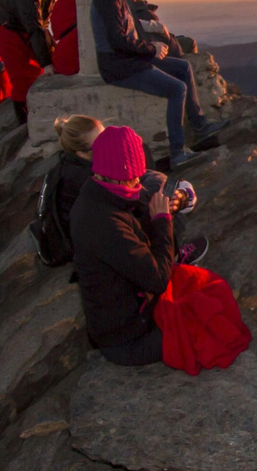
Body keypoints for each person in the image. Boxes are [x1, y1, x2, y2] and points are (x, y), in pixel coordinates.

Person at [70, 125, 210, 366]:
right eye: (133, 178)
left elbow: (161, 197)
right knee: (210, 320)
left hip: (130, 316)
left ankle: (179, 262)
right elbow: (157, 280)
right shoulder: (104, 223)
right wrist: (162, 222)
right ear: (116, 174)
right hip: (128, 340)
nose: (137, 183)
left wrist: (180, 199)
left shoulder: (100, 194)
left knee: (208, 292)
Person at [86, 0, 226, 170]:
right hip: (120, 66)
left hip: (130, 58)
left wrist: (154, 46)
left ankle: (200, 125)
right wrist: (150, 49)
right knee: (176, 89)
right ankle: (178, 153)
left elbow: (129, 34)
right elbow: (117, 41)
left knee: (183, 67)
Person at [48, 115, 205, 267]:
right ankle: (174, 258)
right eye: (100, 144)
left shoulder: (77, 164)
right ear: (82, 153)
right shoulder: (85, 179)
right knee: (158, 199)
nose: (109, 145)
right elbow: (131, 204)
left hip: (100, 228)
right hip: (99, 242)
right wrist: (172, 200)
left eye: (106, 136)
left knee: (154, 181)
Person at [0, 0, 67, 123]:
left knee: (53, 62)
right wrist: (46, 63)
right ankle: (24, 122)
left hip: (27, 27)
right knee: (22, 77)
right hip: (8, 30)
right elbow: (34, 27)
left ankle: (41, 111)